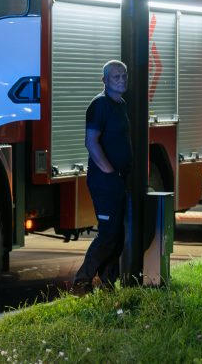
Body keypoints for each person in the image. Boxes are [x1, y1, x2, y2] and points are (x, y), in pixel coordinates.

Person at [72, 60, 132, 294]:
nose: (121, 80)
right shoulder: (99, 105)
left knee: (117, 234)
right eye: (115, 77)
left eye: (124, 76)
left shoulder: (121, 104)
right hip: (105, 182)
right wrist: (110, 172)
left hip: (118, 180)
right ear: (104, 80)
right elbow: (91, 142)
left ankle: (108, 283)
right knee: (108, 234)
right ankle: (82, 280)